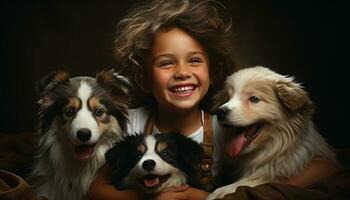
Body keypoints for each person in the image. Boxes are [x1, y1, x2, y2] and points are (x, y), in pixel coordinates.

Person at [88, 0, 339, 199]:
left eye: (194, 60)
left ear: (212, 71)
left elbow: (325, 165)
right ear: (144, 79)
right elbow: (96, 189)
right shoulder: (129, 122)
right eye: (166, 63)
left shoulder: (226, 129)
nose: (182, 72)